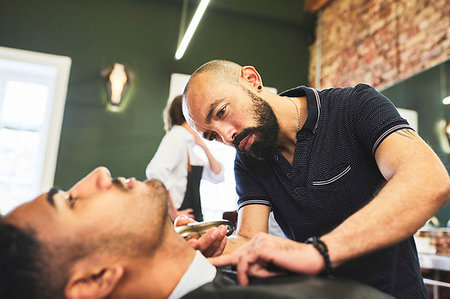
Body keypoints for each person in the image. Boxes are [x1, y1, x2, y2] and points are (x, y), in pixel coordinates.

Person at [182, 59, 450, 298]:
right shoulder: (249, 159)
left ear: (252, 80)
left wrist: (319, 252)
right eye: (212, 136)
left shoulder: (353, 106)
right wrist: (215, 247)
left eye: (222, 113)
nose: (226, 136)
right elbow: (251, 239)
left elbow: (429, 178)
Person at [0, 166, 394, 299]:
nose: (99, 175)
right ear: (95, 279)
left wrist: (181, 257)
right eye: (70, 200)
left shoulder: (206, 266)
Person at [146, 95, 224, 221]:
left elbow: (217, 175)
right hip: (177, 219)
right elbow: (155, 171)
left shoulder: (189, 143)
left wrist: (204, 147)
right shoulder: (178, 135)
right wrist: (172, 211)